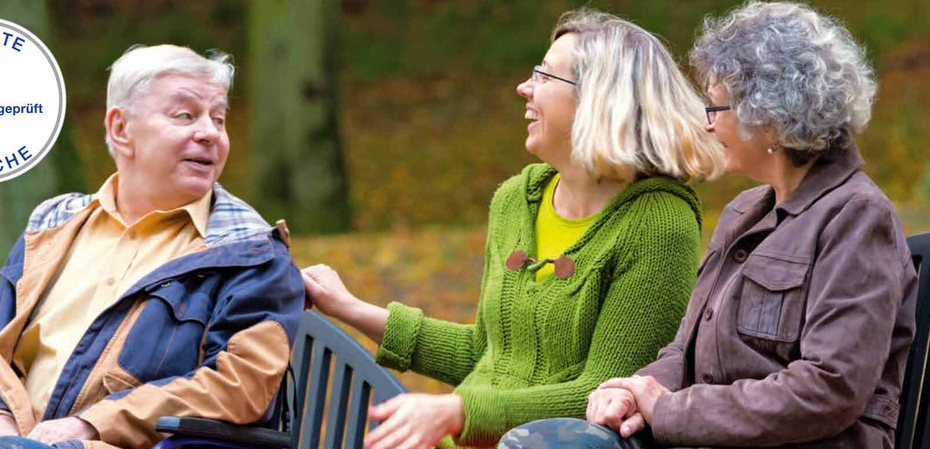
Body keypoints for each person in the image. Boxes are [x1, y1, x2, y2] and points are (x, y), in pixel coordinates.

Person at [500, 3, 918, 448]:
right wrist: (630, 390)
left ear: (771, 118)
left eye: (717, 106)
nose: (707, 122)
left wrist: (668, 411)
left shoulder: (855, 216)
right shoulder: (743, 213)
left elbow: (829, 387)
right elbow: (685, 351)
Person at [301, 10, 723, 449]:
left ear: (598, 99)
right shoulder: (516, 201)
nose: (524, 87)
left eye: (543, 75)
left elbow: (606, 395)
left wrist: (459, 411)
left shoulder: (658, 224)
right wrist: (348, 307)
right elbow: (485, 353)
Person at [0, 44, 305, 449]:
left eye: (219, 119)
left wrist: (92, 424)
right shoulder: (51, 228)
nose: (210, 133)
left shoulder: (252, 253)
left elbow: (242, 387)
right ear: (121, 128)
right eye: (186, 116)